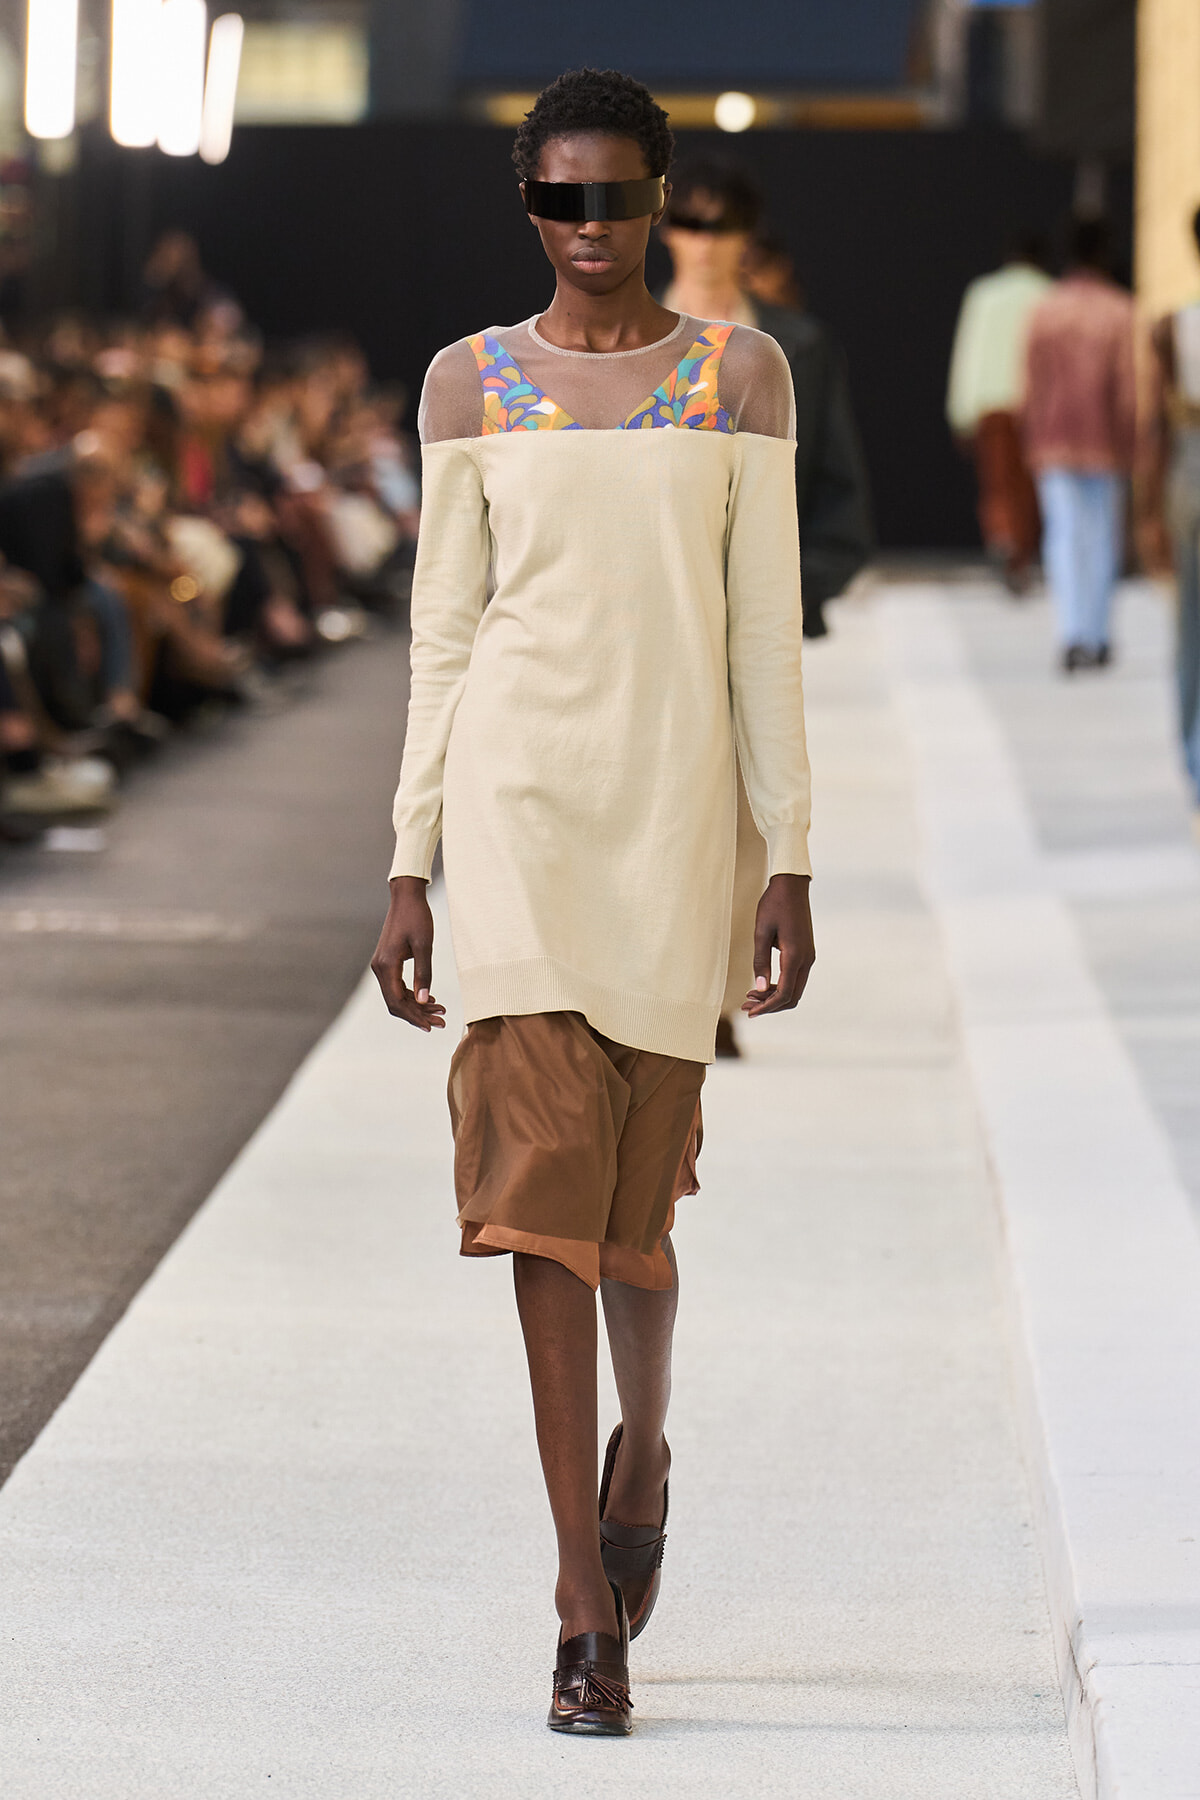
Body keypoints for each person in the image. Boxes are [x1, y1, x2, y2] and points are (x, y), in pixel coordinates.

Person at [371, 67, 815, 1736]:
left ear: (661, 201)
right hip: (515, 816)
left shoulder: (740, 378)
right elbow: (443, 639)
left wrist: (791, 852)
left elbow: (761, 636)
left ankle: (645, 1453)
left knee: (636, 1222)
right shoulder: (469, 385)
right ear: (529, 208)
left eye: (618, 199)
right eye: (560, 201)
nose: (590, 230)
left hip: (672, 824)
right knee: (543, 1210)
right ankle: (580, 1601)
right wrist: (410, 858)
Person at [657, 155, 867, 1054]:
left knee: (743, 810)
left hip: (747, 617)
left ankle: (710, 993)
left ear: (748, 237)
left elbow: (837, 490)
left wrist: (789, 592)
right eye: (692, 222)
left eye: (722, 224)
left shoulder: (795, 350)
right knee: (653, 802)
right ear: (668, 228)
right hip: (642, 610)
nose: (706, 242)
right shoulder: (610, 340)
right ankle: (664, 986)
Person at [1021, 217, 1136, 672]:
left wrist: (1030, 432)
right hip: (1105, 439)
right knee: (1103, 535)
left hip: (1054, 437)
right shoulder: (1120, 310)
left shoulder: (1046, 308)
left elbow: (1030, 381)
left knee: (1064, 535)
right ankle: (1098, 632)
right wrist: (1133, 442)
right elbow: (1129, 389)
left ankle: (1071, 633)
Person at [946, 230, 1052, 590]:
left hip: (992, 403)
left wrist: (960, 411)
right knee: (1029, 486)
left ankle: (1004, 539)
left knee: (997, 483)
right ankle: (1021, 553)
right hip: (1037, 405)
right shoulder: (1048, 294)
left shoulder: (984, 294)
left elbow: (969, 353)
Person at [1143, 203, 1200, 829]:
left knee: (1190, 625)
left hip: (1189, 476)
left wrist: (1147, 509)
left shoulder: (1174, 325)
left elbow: (1155, 426)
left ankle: (1195, 760)